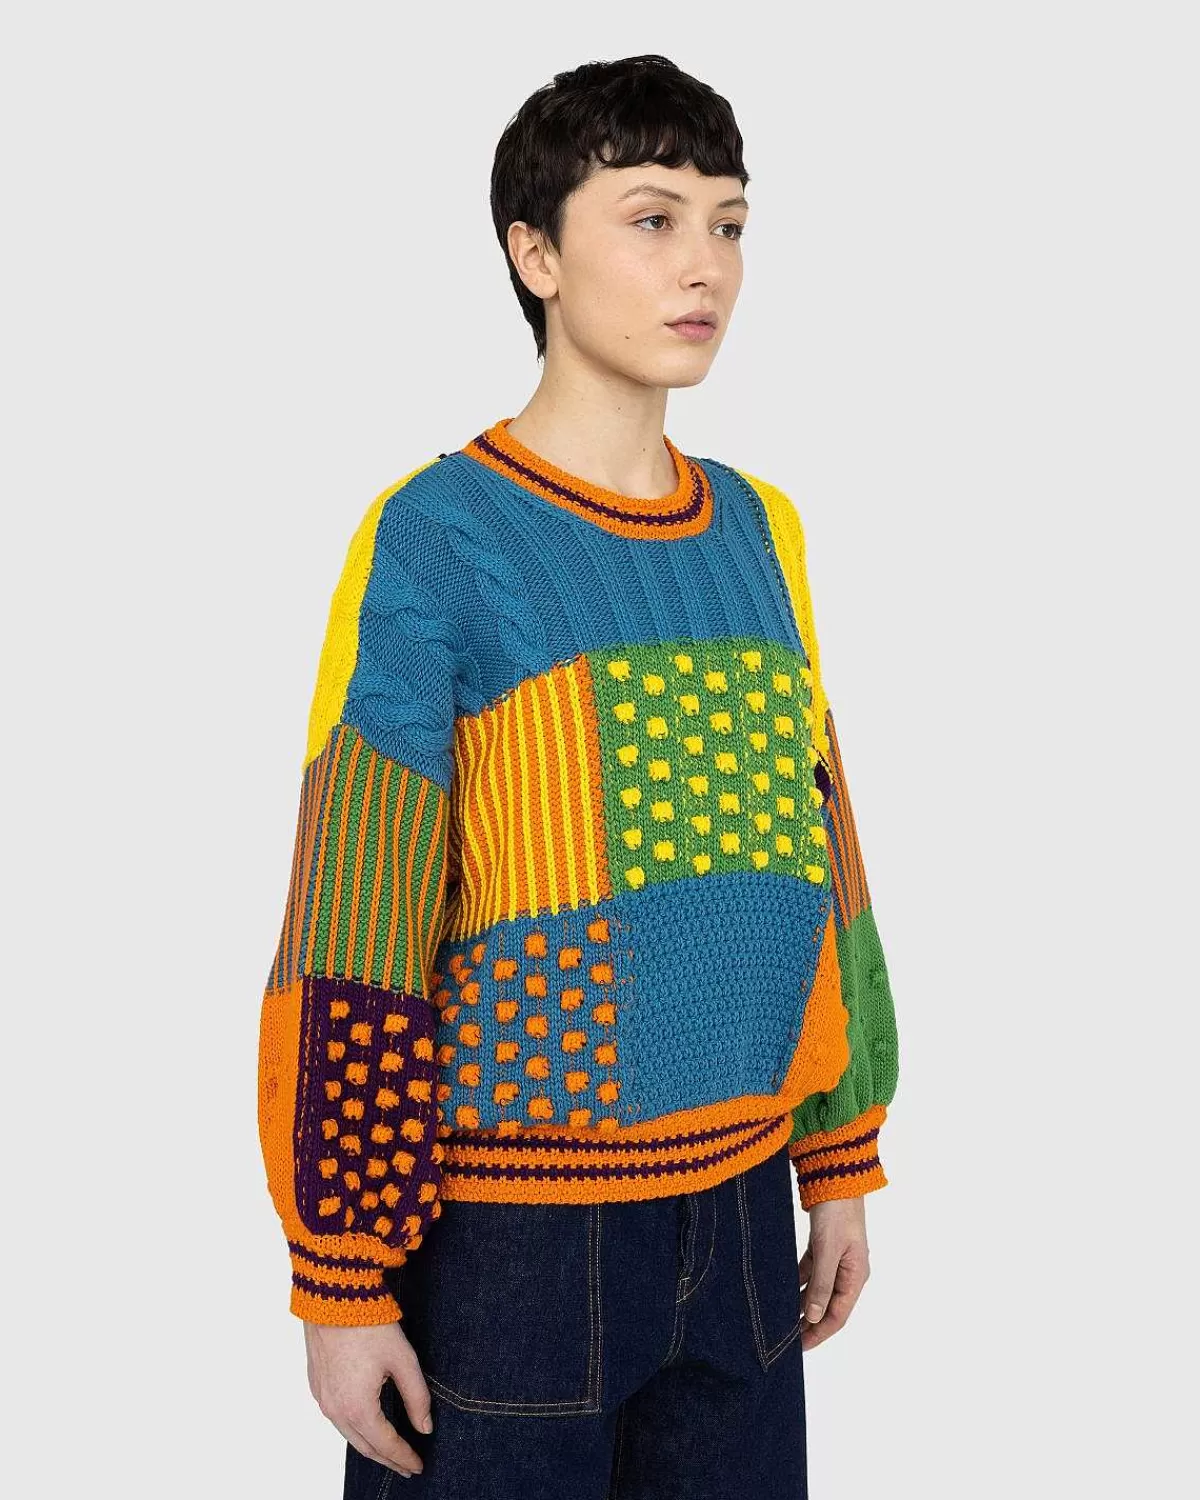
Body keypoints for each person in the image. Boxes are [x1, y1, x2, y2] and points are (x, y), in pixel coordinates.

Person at [256, 53, 900, 1500]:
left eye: (729, 224)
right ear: (534, 255)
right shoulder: (438, 536)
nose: (706, 266)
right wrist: (342, 1275)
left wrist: (839, 1153)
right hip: (514, 1241)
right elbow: (358, 911)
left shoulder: (761, 529)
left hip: (744, 1213)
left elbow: (823, 853)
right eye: (653, 219)